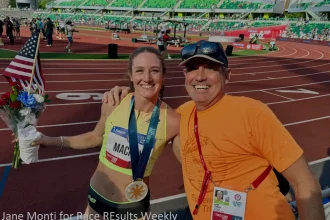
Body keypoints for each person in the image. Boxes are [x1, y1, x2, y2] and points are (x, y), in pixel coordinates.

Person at [103, 40, 325, 220]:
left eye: (210, 68)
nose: (199, 76)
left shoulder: (252, 112)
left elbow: (305, 182)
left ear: (227, 75)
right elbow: (143, 117)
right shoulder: (180, 115)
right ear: (185, 76)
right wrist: (125, 94)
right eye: (192, 68)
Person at [22, 47, 180, 218]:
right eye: (140, 71)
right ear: (131, 75)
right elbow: (94, 137)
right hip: (97, 199)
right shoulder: (114, 103)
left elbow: (191, 163)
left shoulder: (173, 121)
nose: (147, 78)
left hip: (134, 207)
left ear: (163, 75)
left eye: (154, 71)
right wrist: (48, 140)